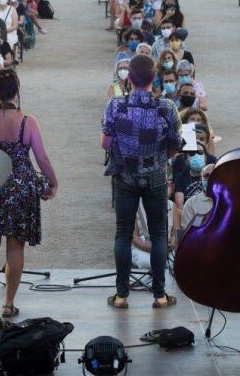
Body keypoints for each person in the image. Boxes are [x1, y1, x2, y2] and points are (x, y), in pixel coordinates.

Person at [0, 69, 58, 318]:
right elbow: (41, 157)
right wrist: (52, 182)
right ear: (16, 91)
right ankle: (8, 303)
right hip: (21, 188)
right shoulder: (27, 122)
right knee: (15, 247)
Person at [102, 54, 180, 311]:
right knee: (159, 234)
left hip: (124, 176)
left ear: (129, 79)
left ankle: (122, 295)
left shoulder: (116, 106)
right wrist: (157, 159)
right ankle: (159, 295)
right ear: (153, 78)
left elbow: (105, 142)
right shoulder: (166, 107)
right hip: (156, 176)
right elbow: (175, 145)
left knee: (123, 233)